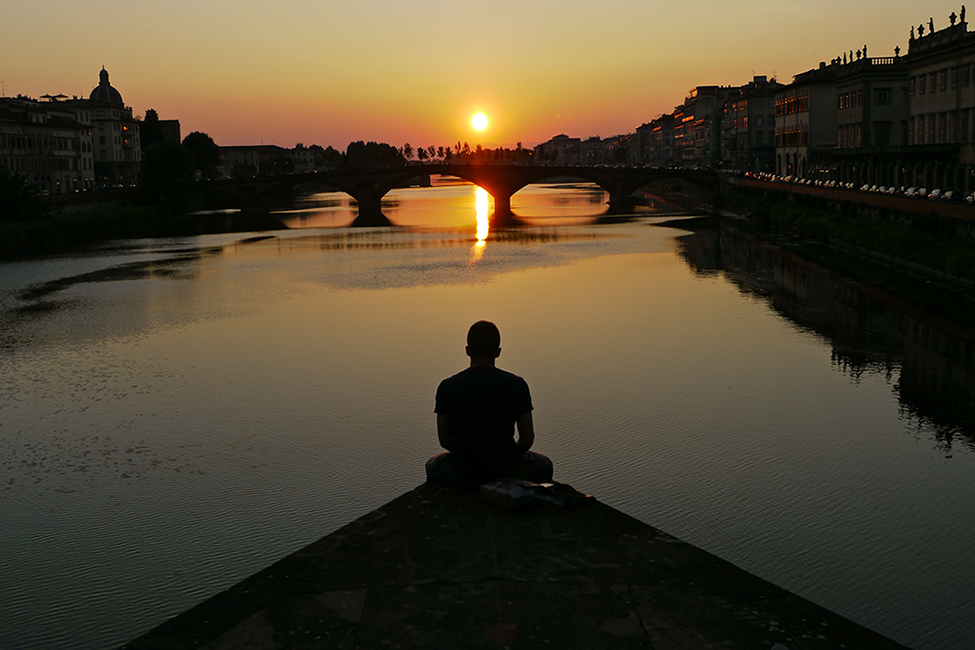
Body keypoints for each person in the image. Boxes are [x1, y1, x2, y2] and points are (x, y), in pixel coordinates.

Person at [426, 321, 553, 490]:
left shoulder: (447, 387)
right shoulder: (517, 385)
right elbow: (527, 439)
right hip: (508, 470)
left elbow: (445, 440)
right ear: (498, 352)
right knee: (544, 464)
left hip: (464, 472)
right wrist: (510, 454)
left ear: (467, 351)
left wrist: (467, 454)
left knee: (432, 464)